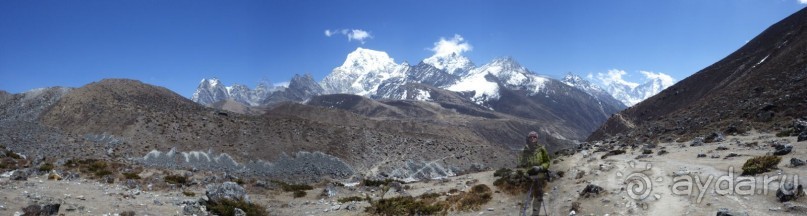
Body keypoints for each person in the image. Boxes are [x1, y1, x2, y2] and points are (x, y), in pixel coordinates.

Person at [521, 131, 550, 216]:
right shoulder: (525, 150)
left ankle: (535, 214)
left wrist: (540, 167)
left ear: (537, 139)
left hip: (539, 177)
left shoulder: (542, 149)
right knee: (527, 199)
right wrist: (525, 172)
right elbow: (522, 164)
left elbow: (547, 162)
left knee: (538, 198)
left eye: (534, 137)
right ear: (528, 138)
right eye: (531, 137)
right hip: (529, 178)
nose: (532, 138)